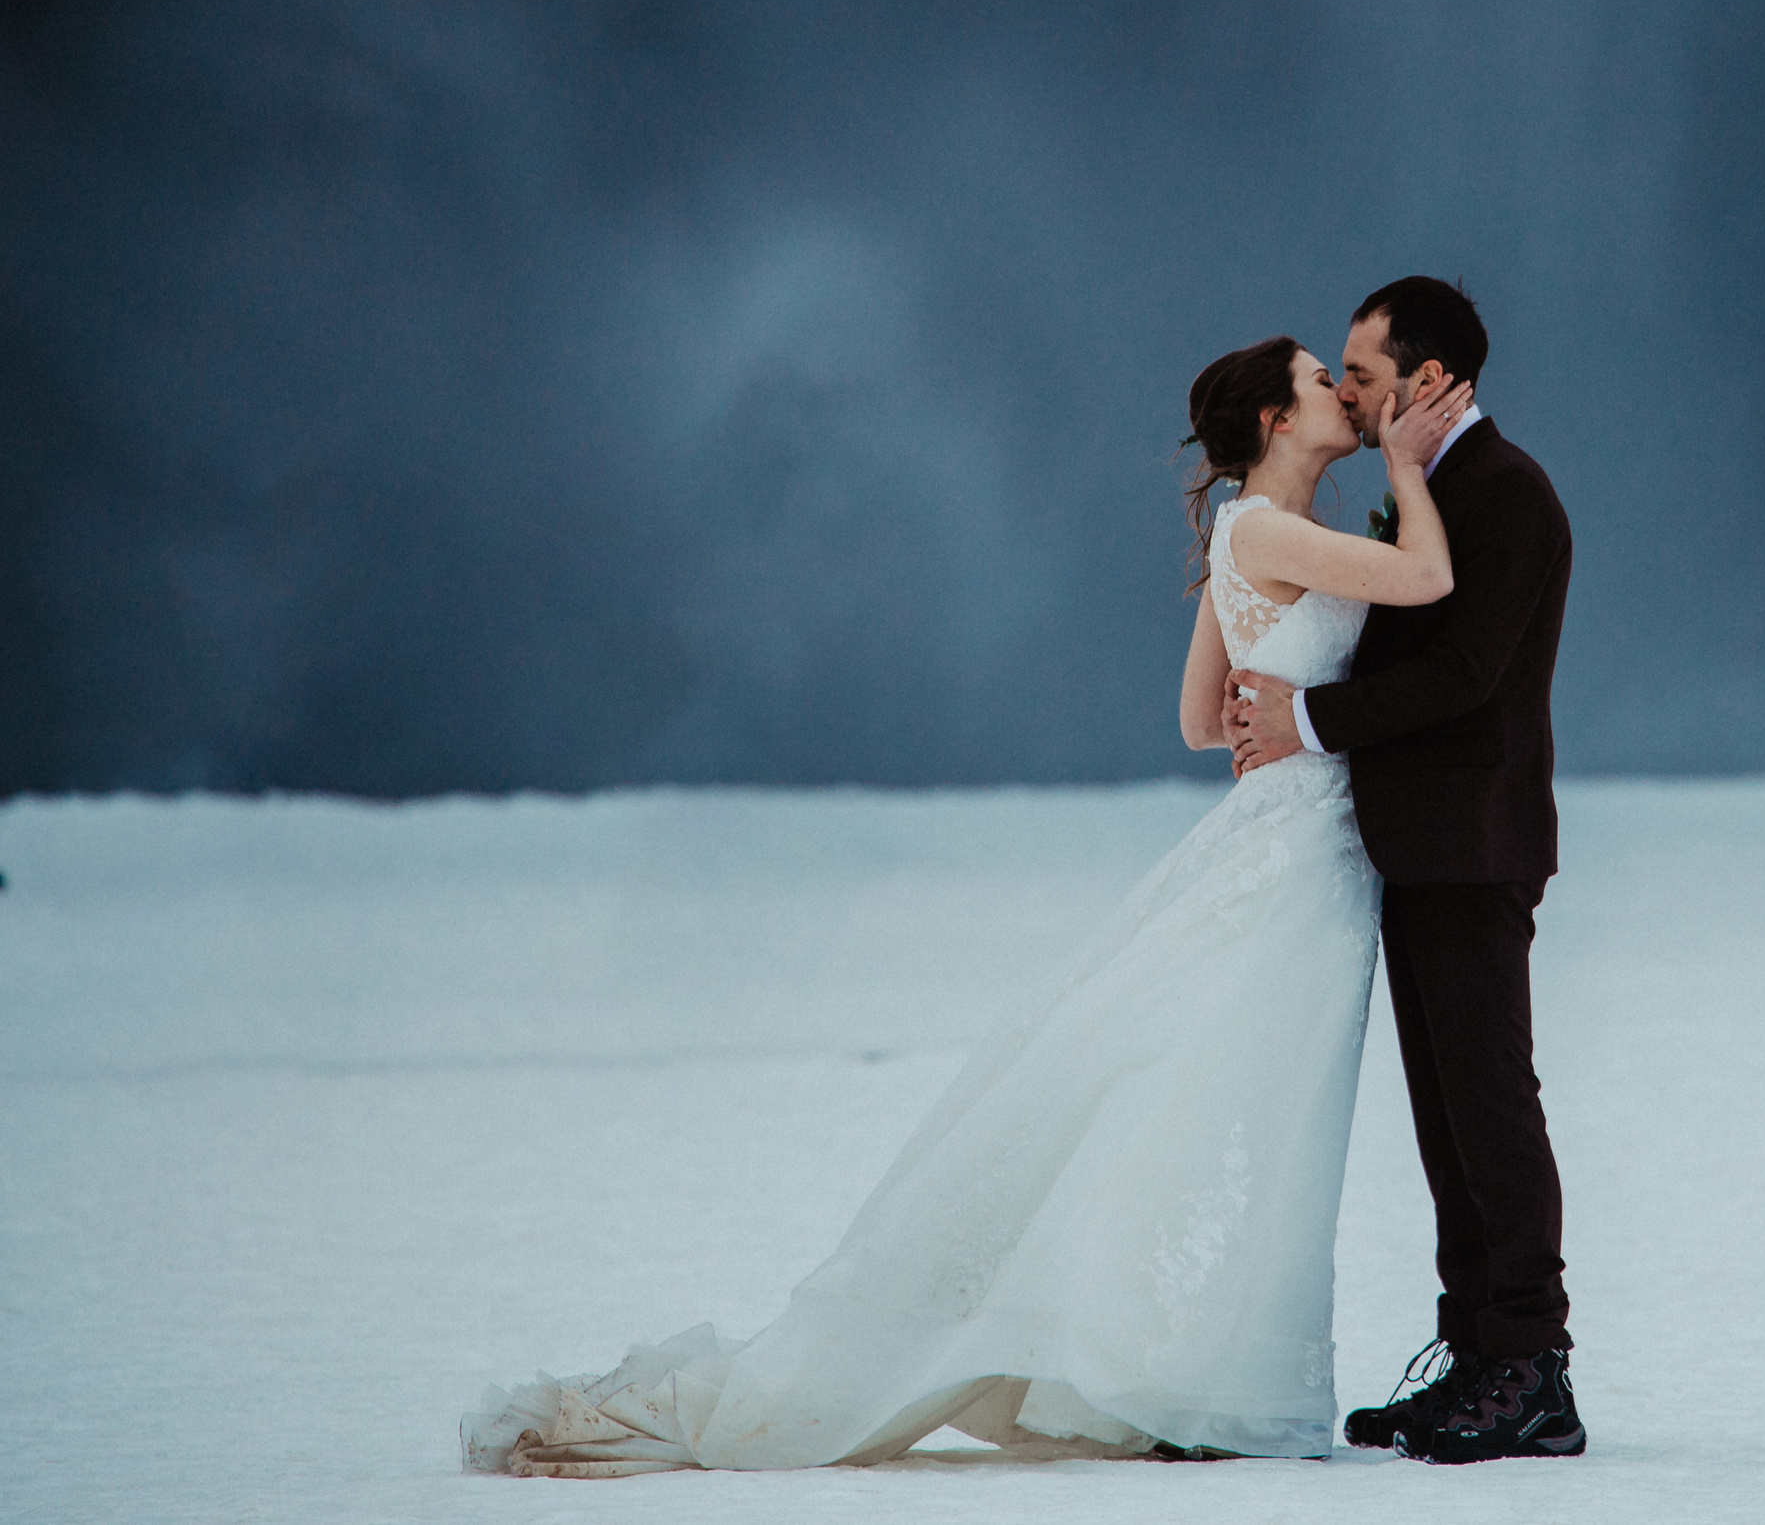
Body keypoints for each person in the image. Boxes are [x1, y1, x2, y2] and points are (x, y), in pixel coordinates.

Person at [462, 330, 1476, 1476]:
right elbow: (1426, 582)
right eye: (1319, 381)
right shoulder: (1275, 532)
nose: (1342, 392)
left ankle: (1185, 1370)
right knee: (1250, 1106)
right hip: (1294, 860)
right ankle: (1197, 1377)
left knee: (1222, 1100)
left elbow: (1200, 723)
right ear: (1276, 421)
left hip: (1283, 846)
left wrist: (1266, 710)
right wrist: (1407, 472)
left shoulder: (1243, 531)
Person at [1226, 276, 1581, 1464]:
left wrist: (1305, 723)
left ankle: (1533, 1368)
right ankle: (1476, 1354)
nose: (1348, 390)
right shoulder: (1428, 484)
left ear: (1428, 380)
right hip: (1420, 845)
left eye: (1364, 373)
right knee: (1446, 1116)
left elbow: (1467, 673)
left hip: (1475, 844)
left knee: (1489, 1103)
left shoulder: (1507, 492)